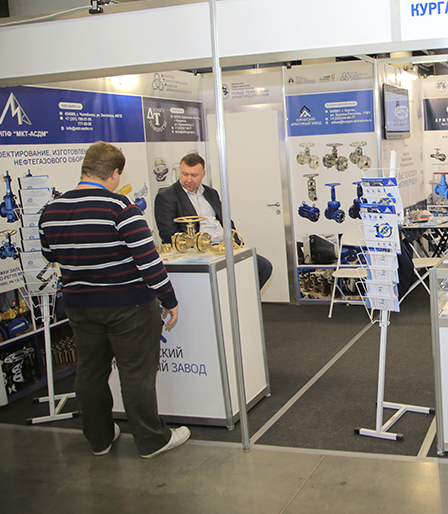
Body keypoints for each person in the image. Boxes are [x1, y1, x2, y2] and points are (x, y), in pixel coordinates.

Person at [38, 142, 190, 458]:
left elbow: (50, 254)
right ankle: (151, 441)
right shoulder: (120, 208)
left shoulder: (51, 211)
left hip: (79, 306)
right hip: (128, 305)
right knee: (136, 375)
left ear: (85, 168)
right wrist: (169, 299)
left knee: (89, 373)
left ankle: (100, 439)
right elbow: (148, 262)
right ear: (115, 173)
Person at [155, 153, 273, 289]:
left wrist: (233, 241)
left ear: (203, 174)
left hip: (223, 247)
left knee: (263, 267)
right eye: (184, 174)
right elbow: (168, 234)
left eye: (194, 175)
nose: (188, 180)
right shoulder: (167, 197)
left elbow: (226, 221)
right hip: (200, 252)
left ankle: (243, 298)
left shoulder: (211, 193)